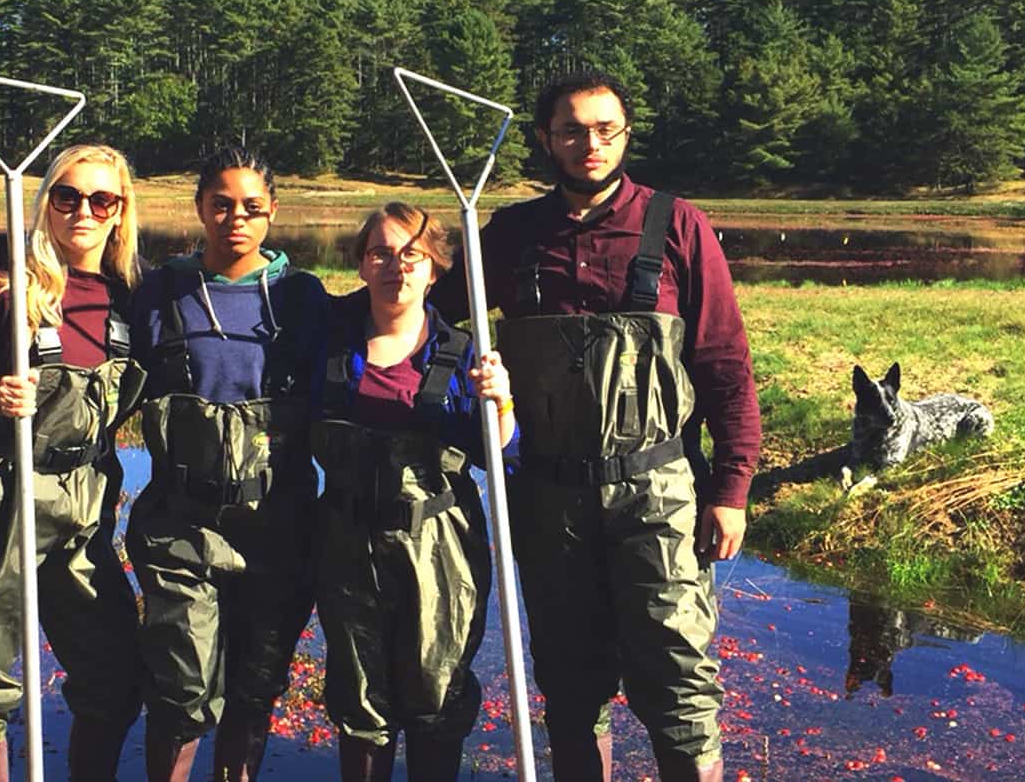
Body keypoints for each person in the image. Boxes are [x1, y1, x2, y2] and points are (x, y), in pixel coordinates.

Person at [431, 70, 763, 782]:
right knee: (571, 688)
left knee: (680, 685)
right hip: (547, 500)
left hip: (658, 492)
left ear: (625, 134)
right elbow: (428, 323)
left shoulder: (676, 223)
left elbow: (724, 362)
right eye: (573, 129)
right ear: (547, 139)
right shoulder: (511, 234)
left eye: (605, 128)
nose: (590, 143)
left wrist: (732, 487)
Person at [0, 145, 149, 781]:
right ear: (45, 203)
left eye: (101, 199)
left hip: (88, 509)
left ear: (120, 213)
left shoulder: (131, 298)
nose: (83, 211)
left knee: (115, 677)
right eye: (67, 196)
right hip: (5, 498)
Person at [126, 146, 330, 782]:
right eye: (221, 205)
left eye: (251, 206)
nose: (235, 218)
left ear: (272, 212)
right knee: (180, 692)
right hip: (180, 521)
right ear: (200, 209)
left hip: (280, 521)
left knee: (255, 685)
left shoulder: (303, 297)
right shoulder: (161, 291)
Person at [315, 203, 515, 782]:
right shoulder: (329, 347)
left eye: (412, 255)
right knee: (359, 699)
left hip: (441, 551)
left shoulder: (462, 355)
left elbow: (500, 453)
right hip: (347, 546)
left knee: (437, 693)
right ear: (360, 263)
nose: (395, 267)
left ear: (434, 269)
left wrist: (500, 400)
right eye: (380, 252)